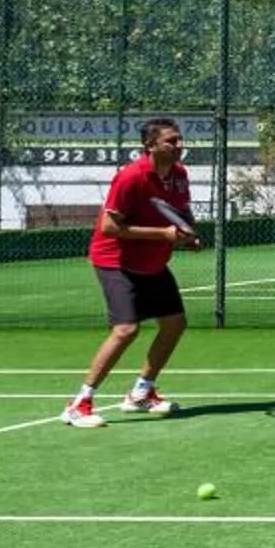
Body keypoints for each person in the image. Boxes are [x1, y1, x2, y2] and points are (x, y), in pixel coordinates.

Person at [65, 117, 206, 429]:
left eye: (180, 139)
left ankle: (141, 393)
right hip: (116, 261)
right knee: (126, 330)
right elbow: (109, 227)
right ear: (150, 146)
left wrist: (189, 234)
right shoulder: (131, 177)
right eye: (171, 141)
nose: (179, 145)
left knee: (174, 324)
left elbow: (182, 211)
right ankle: (79, 404)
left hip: (153, 262)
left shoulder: (179, 174)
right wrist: (163, 235)